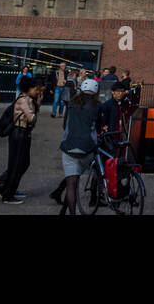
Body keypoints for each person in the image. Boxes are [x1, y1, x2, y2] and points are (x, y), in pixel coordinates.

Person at [55, 77, 100, 215]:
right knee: (92, 170)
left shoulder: (72, 104)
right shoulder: (97, 106)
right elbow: (98, 127)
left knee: (71, 184)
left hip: (69, 147)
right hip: (87, 148)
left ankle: (71, 212)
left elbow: (65, 126)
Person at [0, 77, 40, 204]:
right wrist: (33, 116)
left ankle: (8, 188)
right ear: (28, 88)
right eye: (35, 89)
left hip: (23, 133)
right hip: (19, 134)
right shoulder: (24, 100)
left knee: (24, 163)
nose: (37, 91)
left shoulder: (29, 100)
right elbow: (31, 118)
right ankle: (7, 194)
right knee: (16, 165)